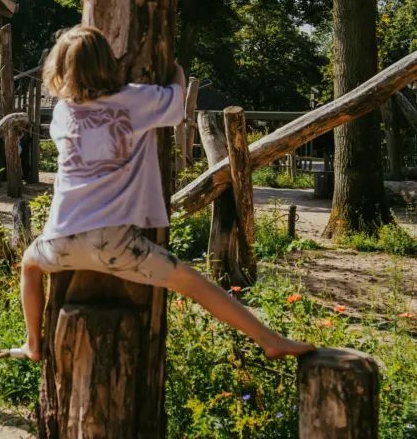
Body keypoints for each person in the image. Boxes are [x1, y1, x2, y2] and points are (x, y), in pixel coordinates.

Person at [18, 26, 314, 362]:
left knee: (29, 266)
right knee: (194, 284)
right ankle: (268, 339)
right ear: (108, 62)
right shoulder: (135, 100)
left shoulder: (62, 113)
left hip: (61, 241)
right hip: (114, 243)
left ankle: (32, 343)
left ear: (60, 70)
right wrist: (173, 66)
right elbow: (176, 104)